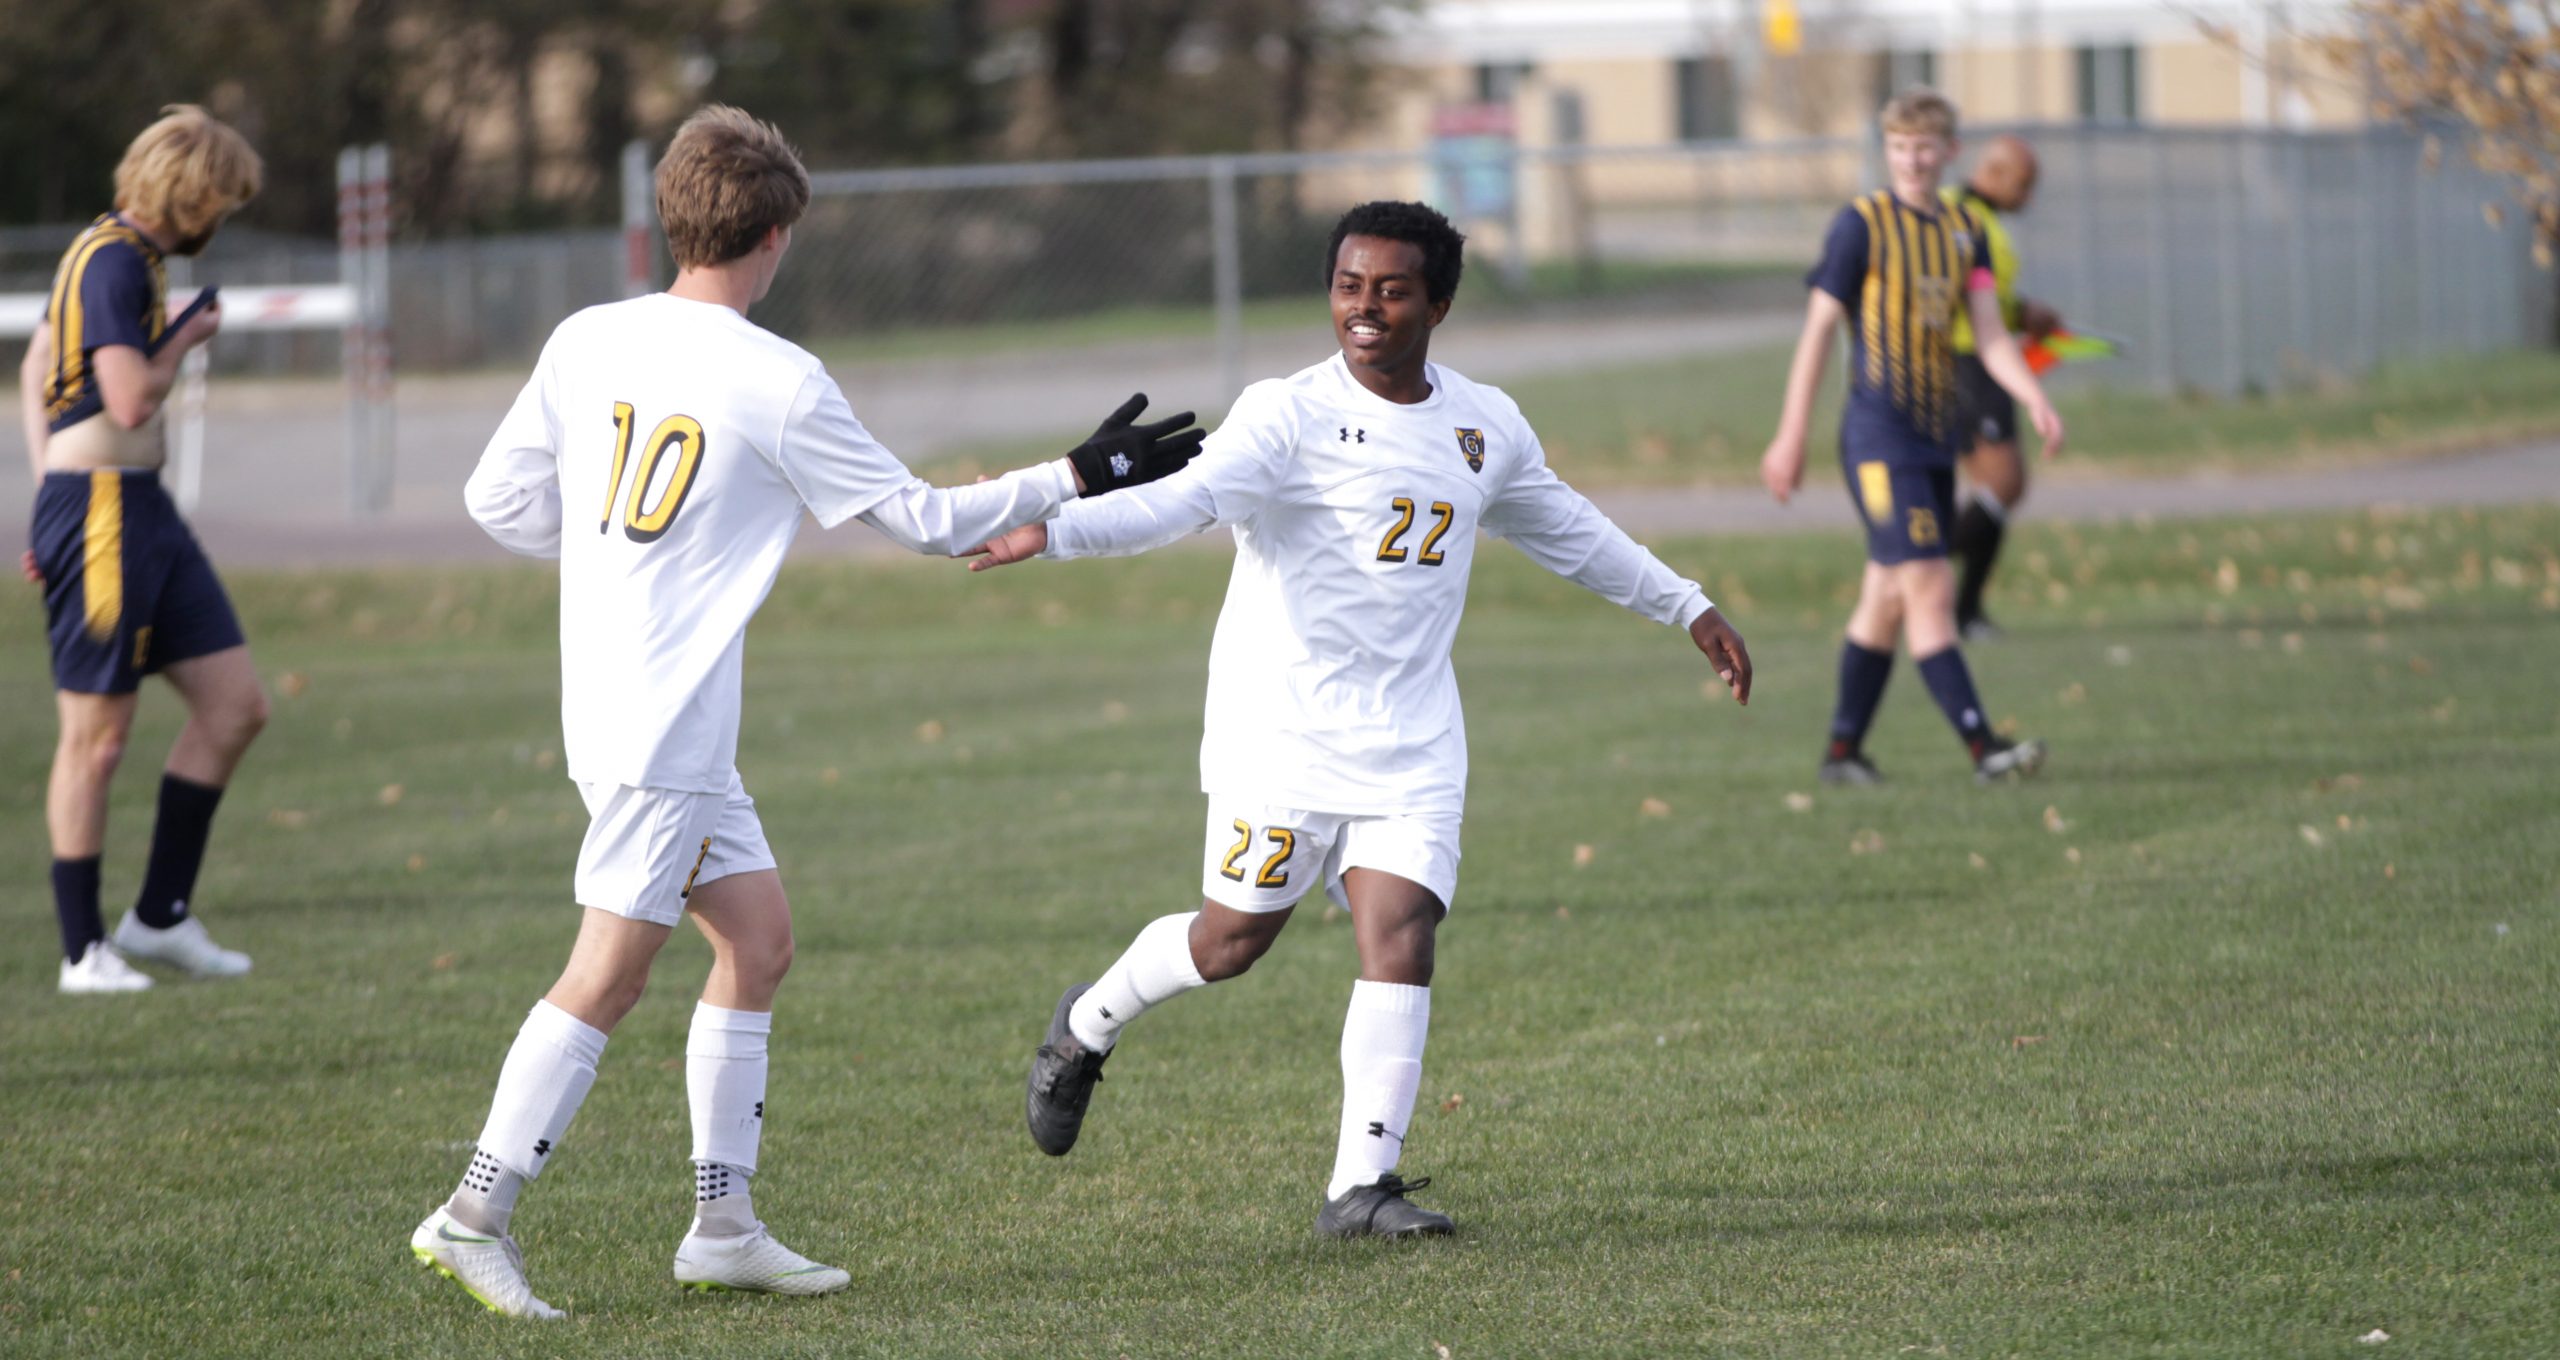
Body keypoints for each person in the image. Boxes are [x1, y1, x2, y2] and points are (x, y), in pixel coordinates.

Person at [414, 105, 1202, 1319]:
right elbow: (933, 524)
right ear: (775, 234)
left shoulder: (587, 337)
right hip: (662, 727)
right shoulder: (778, 381)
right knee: (609, 974)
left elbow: (497, 502)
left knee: (759, 939)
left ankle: (722, 1226)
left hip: (627, 707)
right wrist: (1082, 471)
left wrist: (622, 563)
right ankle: (473, 1210)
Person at [972, 200, 1754, 1239]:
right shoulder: (1286, 414)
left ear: (1439, 301)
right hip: (1281, 730)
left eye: (1390, 289)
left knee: (1401, 930)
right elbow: (1186, 501)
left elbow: (1567, 527)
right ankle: (1087, 1022)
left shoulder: (1484, 427)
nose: (1365, 308)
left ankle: (1361, 1188)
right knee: (1232, 939)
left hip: (1413, 734)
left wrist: (1684, 603)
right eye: (1349, 286)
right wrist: (1053, 531)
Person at [19, 106, 268, 995]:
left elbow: (35, 367)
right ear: (190, 194)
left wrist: (41, 483)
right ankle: (84, 950)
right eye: (221, 201)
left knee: (235, 705)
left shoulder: (114, 255)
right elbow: (128, 400)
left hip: (138, 510)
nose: (222, 218)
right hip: (102, 517)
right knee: (97, 739)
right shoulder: (117, 260)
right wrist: (186, 338)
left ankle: (158, 916)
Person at [1759, 88, 2063, 787]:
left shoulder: (1965, 230)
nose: (1913, 161)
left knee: (1887, 597)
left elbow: (1988, 332)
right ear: (1887, 151)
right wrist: (1790, 434)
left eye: (1925, 148)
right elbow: (1817, 332)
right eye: (1899, 148)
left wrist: (2034, 395)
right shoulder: (1860, 226)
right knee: (1927, 585)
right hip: (1877, 436)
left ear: (1949, 151)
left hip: (1934, 434)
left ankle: (1842, 753)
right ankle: (1985, 748)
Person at [1942, 134, 2064, 640]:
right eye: (2023, 184)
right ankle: (1921, 572)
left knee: (2002, 487)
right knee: (2004, 480)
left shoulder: (1987, 223)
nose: (2028, 198)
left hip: (1987, 360)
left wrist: (2024, 313)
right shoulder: (1950, 214)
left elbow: (1985, 296)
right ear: (1993, 171)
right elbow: (1939, 291)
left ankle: (1958, 606)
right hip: (1961, 360)